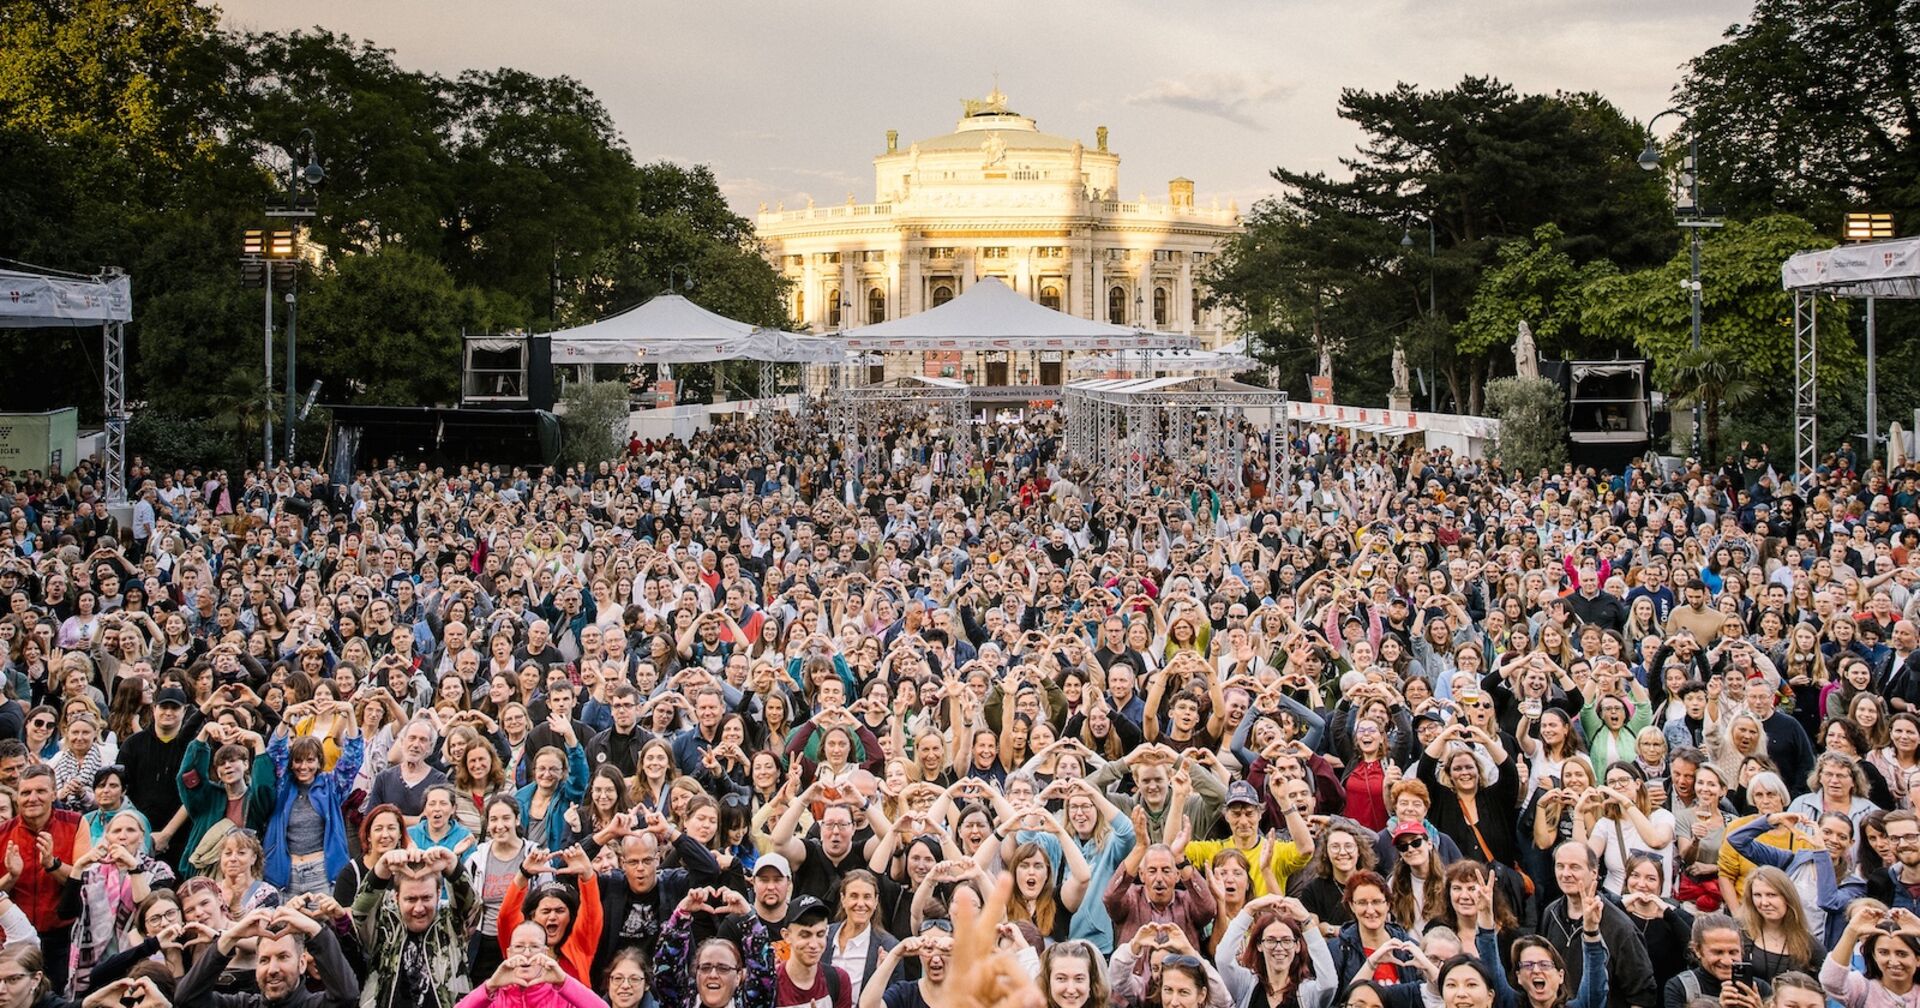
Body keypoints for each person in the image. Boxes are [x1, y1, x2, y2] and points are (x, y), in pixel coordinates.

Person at [353, 845, 477, 1008]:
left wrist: (452, 865)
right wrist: (381, 868)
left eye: (426, 898)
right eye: (411, 899)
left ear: (438, 893)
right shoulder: (385, 923)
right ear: (396, 897)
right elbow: (359, 914)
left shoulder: (451, 922)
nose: (419, 908)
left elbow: (472, 908)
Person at [173, 904, 360, 1008]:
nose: (272, 969)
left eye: (283, 957)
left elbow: (347, 997)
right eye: (264, 960)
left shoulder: (317, 1005)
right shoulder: (242, 1005)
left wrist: (315, 931)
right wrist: (230, 937)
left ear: (302, 963)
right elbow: (187, 999)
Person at [2, 765, 82, 988]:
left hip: (61, 935)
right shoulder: (3, 832)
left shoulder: (75, 823)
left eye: (41, 791)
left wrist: (52, 865)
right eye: (26, 793)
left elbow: (84, 879)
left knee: (55, 994)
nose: (32, 798)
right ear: (17, 797)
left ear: (54, 794)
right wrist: (11, 877)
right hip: (13, 939)